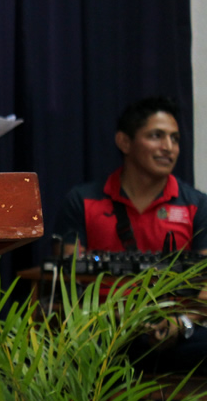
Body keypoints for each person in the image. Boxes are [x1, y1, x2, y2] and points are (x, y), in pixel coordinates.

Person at [56, 96, 207, 373]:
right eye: (156, 136)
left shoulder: (197, 204)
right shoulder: (82, 200)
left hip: (175, 331)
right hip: (100, 332)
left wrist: (179, 322)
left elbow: (205, 286)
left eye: (174, 139)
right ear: (124, 142)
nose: (169, 148)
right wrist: (115, 319)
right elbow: (66, 280)